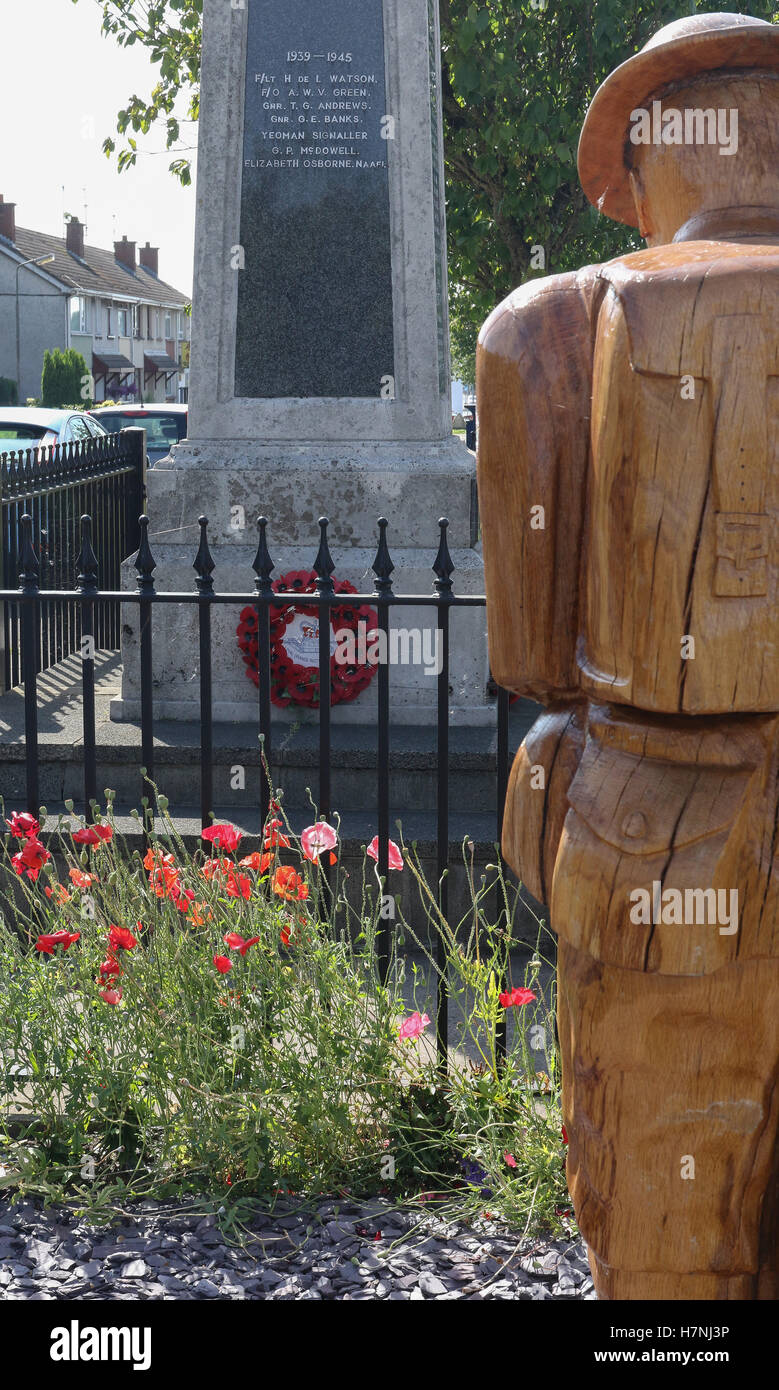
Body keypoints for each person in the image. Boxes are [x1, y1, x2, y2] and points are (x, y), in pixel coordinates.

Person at [477, 13, 779, 1299]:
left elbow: (536, 655)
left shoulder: (543, 329)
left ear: (652, 160)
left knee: (665, 1239)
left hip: (657, 825)